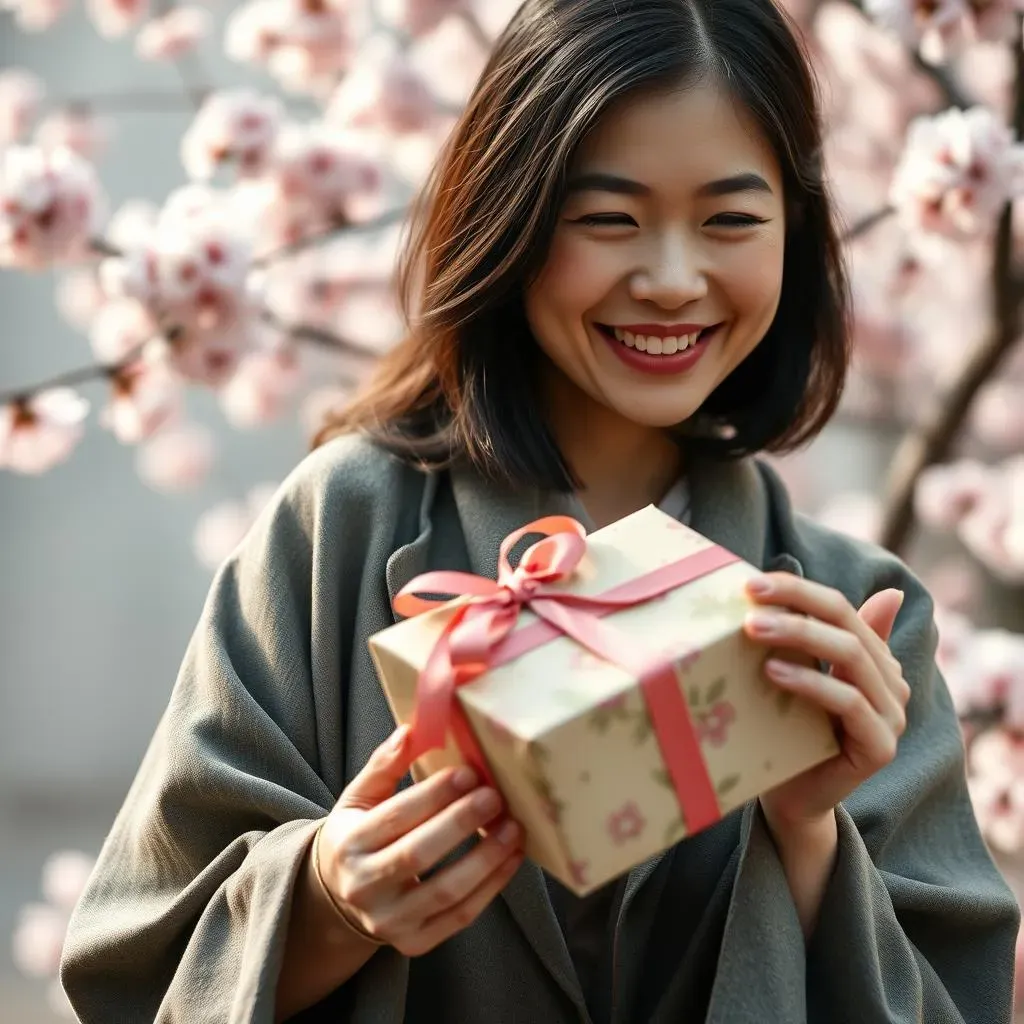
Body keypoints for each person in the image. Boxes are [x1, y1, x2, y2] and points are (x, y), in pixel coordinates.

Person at [61, 0, 1020, 1020]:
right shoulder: (340, 531)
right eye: (608, 218)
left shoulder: (855, 615)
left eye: (731, 220)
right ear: (512, 216)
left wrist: (808, 834)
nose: (670, 278)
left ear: (796, 232)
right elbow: (134, 967)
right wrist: (330, 901)